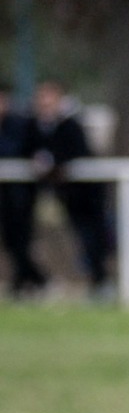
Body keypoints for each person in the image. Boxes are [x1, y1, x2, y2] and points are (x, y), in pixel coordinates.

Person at [27, 79, 109, 297]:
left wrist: (53, 161)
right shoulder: (36, 126)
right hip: (66, 195)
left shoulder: (71, 124)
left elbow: (78, 152)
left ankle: (101, 282)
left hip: (87, 194)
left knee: (93, 238)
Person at [0, 79, 46, 298]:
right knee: (11, 241)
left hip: (20, 195)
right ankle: (29, 281)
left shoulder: (20, 123)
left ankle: (34, 280)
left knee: (21, 240)